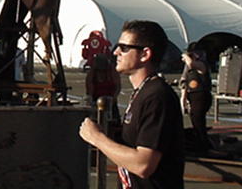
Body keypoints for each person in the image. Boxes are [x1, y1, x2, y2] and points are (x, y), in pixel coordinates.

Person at [79, 20, 184, 188]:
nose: (116, 52)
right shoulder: (142, 92)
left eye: (124, 48)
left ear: (145, 54)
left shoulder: (157, 96)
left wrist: (96, 138)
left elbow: (143, 165)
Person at [180, 48, 212, 154]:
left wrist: (185, 55)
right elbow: (184, 82)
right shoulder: (189, 69)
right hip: (192, 96)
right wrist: (183, 98)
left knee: (199, 121)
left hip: (201, 96)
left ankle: (203, 144)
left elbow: (191, 63)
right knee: (195, 119)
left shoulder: (201, 65)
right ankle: (200, 141)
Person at [85, 52, 121, 121]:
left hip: (110, 101)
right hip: (96, 101)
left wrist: (114, 98)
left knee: (113, 121)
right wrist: (90, 99)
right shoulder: (92, 73)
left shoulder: (112, 72)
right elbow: (89, 88)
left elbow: (118, 86)